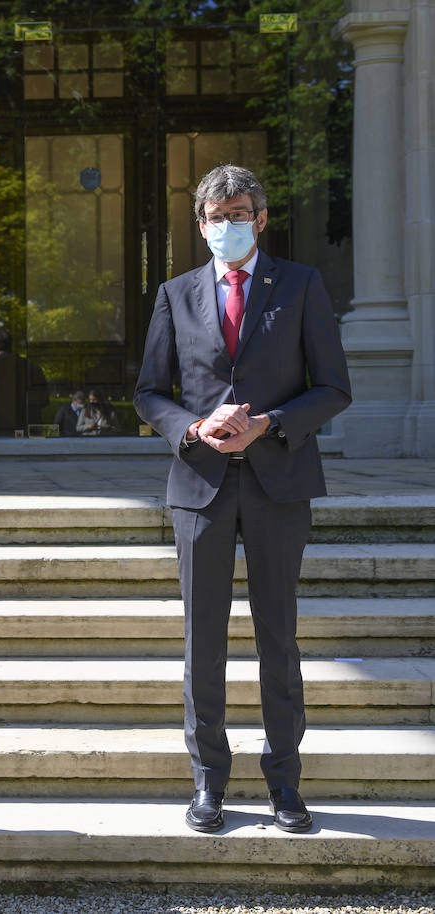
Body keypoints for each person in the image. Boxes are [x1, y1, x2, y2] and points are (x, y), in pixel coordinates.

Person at [134, 165, 351, 835]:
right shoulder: (174, 294)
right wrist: (193, 427)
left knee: (277, 639)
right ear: (198, 224)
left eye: (237, 214)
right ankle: (209, 783)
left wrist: (270, 423)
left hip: (278, 481)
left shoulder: (303, 285)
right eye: (213, 216)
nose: (224, 226)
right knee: (203, 643)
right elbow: (150, 392)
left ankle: (285, 783)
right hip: (199, 487)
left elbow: (334, 387)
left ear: (259, 219)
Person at [0, 329, 49, 436]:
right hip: (29, 428)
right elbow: (43, 400)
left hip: (0, 429)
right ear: (11, 345)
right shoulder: (32, 368)